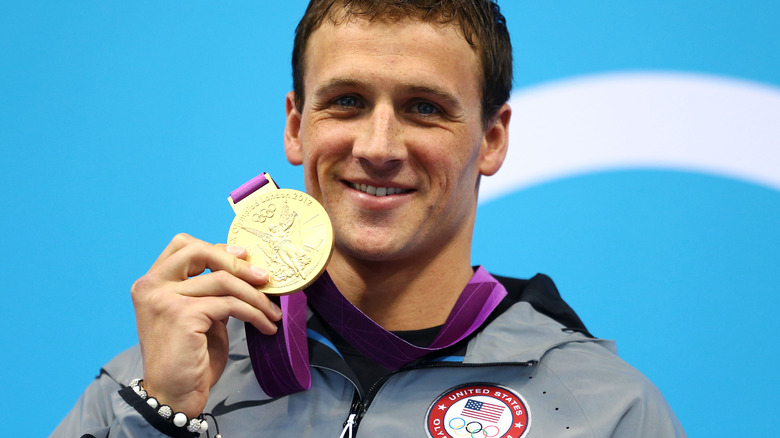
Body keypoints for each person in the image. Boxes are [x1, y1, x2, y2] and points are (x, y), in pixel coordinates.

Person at [53, 1, 686, 437]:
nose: (378, 147)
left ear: (492, 139)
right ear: (297, 126)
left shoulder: (605, 411)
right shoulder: (152, 387)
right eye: (348, 102)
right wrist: (162, 419)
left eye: (423, 108)